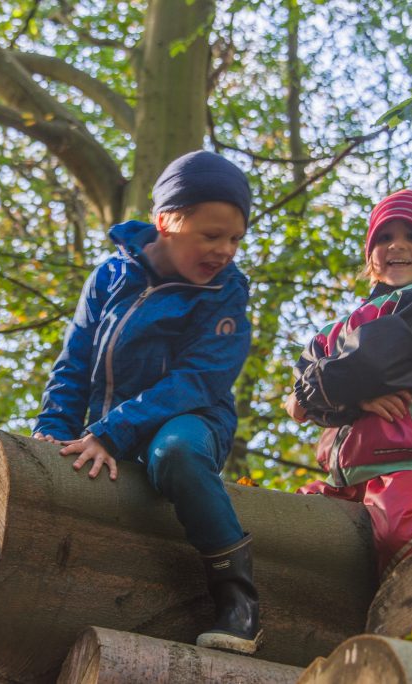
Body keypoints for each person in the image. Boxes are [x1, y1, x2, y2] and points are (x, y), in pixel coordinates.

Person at [32, 150, 262, 654]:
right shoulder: (110, 278)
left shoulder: (226, 294)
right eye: (211, 235)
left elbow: (198, 379)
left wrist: (113, 431)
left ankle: (237, 600)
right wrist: (52, 433)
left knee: (173, 453)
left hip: (189, 421)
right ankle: (23, 648)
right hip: (106, 431)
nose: (225, 249)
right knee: (55, 487)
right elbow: (74, 363)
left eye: (235, 239)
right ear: (166, 222)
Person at [284, 189, 412, 579]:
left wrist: (332, 390)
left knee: (406, 530)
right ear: (371, 254)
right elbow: (295, 404)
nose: (398, 246)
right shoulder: (333, 330)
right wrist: (355, 401)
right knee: (296, 522)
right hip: (348, 475)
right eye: (385, 238)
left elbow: (375, 361)